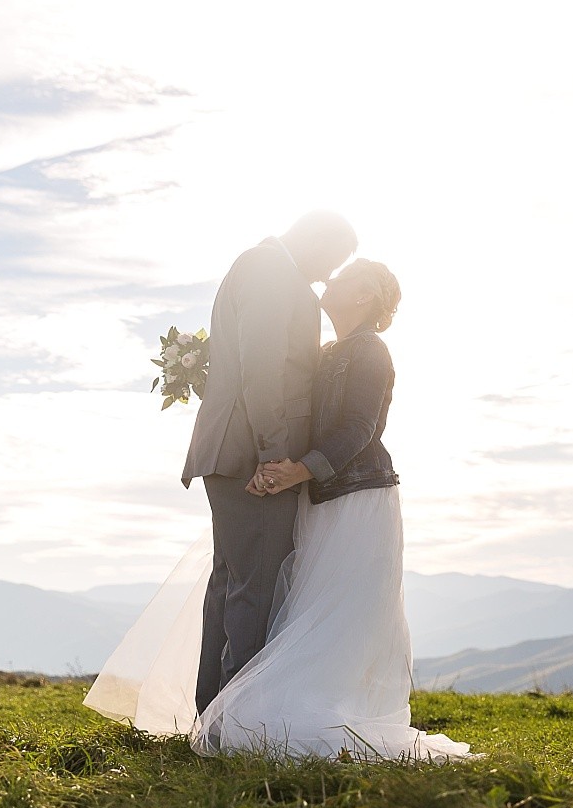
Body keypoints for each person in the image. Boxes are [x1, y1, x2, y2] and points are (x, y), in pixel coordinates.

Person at [84, 259, 473, 762]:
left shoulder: (370, 353)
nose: (328, 280)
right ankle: (265, 707)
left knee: (338, 611)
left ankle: (320, 713)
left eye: (343, 276)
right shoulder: (330, 350)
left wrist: (298, 470)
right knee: (301, 606)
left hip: (358, 497)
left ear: (364, 296)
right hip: (318, 496)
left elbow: (359, 428)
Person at [179, 211, 357, 715]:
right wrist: (273, 455)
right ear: (315, 240)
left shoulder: (262, 267)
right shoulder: (271, 270)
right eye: (332, 261)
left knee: (233, 583)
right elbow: (263, 368)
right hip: (251, 455)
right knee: (253, 588)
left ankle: (212, 713)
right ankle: (236, 722)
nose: (327, 276)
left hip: (234, 450)